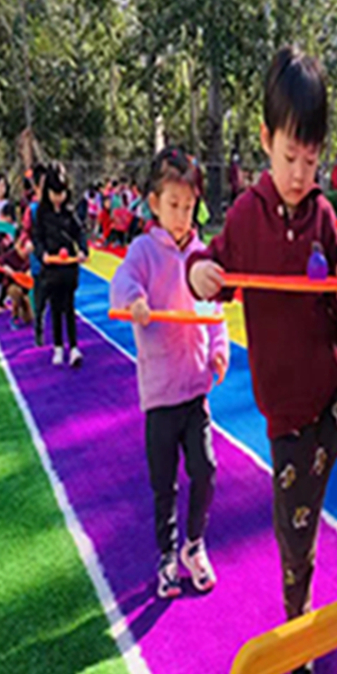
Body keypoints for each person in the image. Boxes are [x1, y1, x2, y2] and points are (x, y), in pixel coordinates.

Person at [187, 45, 337, 674]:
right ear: (266, 140)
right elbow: (211, 270)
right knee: (297, 553)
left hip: (334, 391)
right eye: (290, 157)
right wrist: (200, 272)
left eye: (311, 162)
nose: (298, 174)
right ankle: (301, 664)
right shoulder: (244, 218)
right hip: (287, 421)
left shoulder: (322, 215)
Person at [110, 147, 229, 600]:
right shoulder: (143, 250)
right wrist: (135, 300)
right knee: (164, 485)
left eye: (188, 205)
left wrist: (218, 350)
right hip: (160, 394)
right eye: (173, 205)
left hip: (195, 388)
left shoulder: (200, 256)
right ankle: (166, 555)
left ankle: (193, 545)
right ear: (154, 204)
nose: (182, 215)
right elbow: (123, 282)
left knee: (206, 470)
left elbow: (213, 312)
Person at [33, 162, 87, 367]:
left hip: (68, 268)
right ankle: (58, 346)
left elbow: (79, 232)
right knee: (55, 307)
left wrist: (82, 250)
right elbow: (37, 238)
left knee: (69, 307)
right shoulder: (42, 213)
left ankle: (73, 347)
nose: (59, 198)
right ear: (48, 192)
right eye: (55, 193)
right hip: (52, 268)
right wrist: (43, 254)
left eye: (62, 193)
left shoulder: (69, 212)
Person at [23, 163, 48, 346]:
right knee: (40, 299)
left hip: (54, 261)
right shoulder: (32, 209)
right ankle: (38, 328)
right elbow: (25, 231)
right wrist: (27, 242)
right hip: (39, 262)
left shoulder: (53, 208)